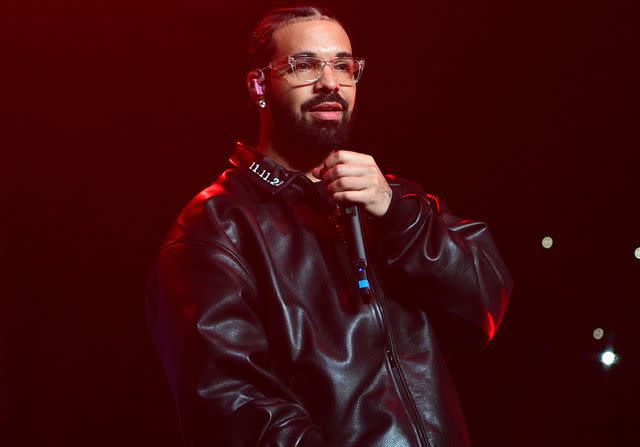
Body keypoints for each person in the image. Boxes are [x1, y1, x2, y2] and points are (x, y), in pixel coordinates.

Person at [146, 6, 512, 447]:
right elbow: (233, 406)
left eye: (343, 65)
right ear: (259, 84)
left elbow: (484, 304)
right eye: (304, 66)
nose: (330, 83)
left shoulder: (390, 198)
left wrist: (396, 213)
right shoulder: (215, 227)